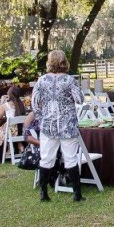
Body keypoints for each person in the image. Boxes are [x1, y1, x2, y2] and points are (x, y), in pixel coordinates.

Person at [32, 50, 85, 202]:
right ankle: (77, 194)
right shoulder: (69, 80)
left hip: (48, 125)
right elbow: (80, 99)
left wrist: (42, 118)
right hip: (67, 124)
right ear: (64, 62)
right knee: (70, 158)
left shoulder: (41, 80)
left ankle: (44, 194)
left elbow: (35, 103)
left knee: (46, 159)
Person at [0, 85, 27, 149]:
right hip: (22, 130)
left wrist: (2, 102)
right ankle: (19, 145)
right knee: (12, 128)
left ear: (9, 94)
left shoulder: (5, 105)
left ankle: (9, 148)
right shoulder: (22, 104)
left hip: (12, 132)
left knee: (0, 131)